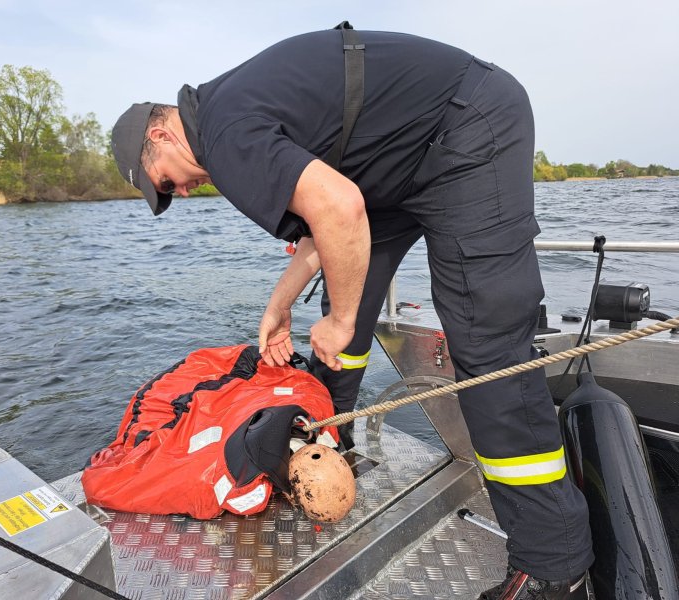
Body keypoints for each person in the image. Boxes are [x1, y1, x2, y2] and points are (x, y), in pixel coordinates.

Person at [109, 24, 593, 600]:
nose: (178, 195)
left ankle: (554, 563)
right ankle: (329, 439)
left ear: (162, 135)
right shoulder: (227, 117)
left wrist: (335, 319)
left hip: (465, 129)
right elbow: (323, 230)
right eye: (166, 197)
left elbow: (339, 209)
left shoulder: (224, 133)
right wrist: (280, 307)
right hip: (398, 165)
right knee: (350, 311)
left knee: (487, 348)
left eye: (165, 184)